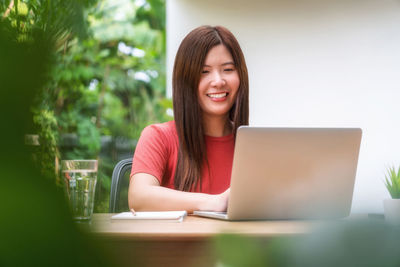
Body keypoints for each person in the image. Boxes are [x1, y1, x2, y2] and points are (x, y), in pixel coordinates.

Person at [128, 25, 249, 213]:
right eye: (204, 72)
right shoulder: (159, 137)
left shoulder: (252, 145)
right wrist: (213, 202)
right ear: (186, 81)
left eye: (228, 69)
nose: (218, 81)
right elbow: (138, 197)